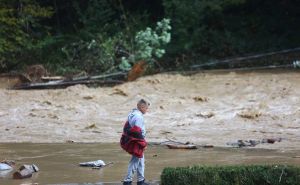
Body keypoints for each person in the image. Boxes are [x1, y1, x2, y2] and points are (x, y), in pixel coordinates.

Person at [120, 99, 150, 185]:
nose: (147, 110)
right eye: (146, 108)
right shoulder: (139, 116)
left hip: (134, 140)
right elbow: (136, 131)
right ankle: (127, 181)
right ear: (142, 107)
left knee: (141, 161)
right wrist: (143, 144)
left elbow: (126, 128)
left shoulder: (132, 114)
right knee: (134, 161)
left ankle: (141, 181)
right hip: (137, 141)